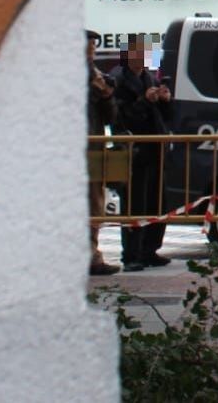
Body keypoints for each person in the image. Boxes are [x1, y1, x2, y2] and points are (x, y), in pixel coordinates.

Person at [111, 34, 174, 271]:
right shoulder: (119, 78)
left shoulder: (149, 77)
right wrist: (144, 101)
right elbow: (122, 116)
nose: (145, 56)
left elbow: (166, 116)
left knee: (157, 201)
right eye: (140, 51)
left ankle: (150, 249)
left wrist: (165, 100)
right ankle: (131, 254)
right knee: (135, 202)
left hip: (156, 148)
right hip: (135, 149)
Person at [86, 30, 119, 276]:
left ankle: (92, 255)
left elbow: (110, 116)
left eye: (93, 49)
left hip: (94, 146)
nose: (91, 52)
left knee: (95, 204)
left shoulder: (97, 75)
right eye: (87, 48)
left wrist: (105, 95)